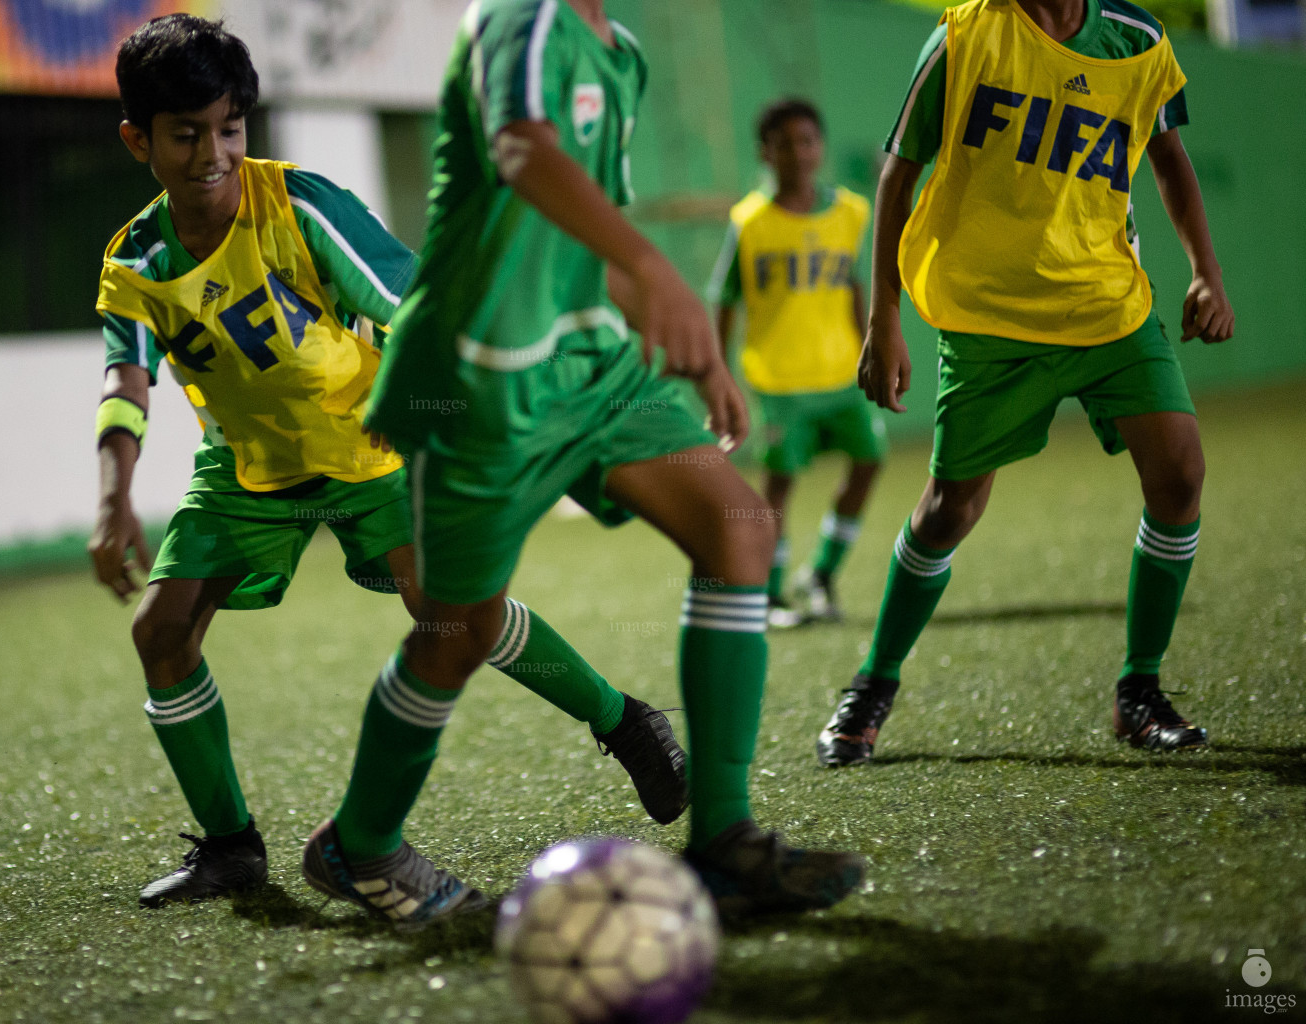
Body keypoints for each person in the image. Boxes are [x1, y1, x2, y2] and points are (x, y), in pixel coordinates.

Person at [89, 14, 687, 910]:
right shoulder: (132, 260)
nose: (213, 152)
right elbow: (127, 380)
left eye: (230, 129)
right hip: (247, 466)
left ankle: (623, 719)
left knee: (453, 617)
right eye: (186, 134)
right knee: (160, 633)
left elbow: (411, 304)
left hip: (367, 443)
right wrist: (113, 499)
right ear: (139, 139)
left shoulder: (301, 204)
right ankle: (231, 849)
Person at [301, 0, 866, 926]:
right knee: (457, 632)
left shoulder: (624, 55)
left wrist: (687, 337)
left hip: (594, 362)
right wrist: (660, 270)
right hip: (484, 379)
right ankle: (358, 843)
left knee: (740, 529)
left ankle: (724, 841)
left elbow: (579, 225)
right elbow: (524, 151)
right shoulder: (517, 20)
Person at [815, 0, 1234, 768]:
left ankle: (1139, 691)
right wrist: (884, 318)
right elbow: (897, 174)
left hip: (1109, 306)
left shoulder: (1138, 42)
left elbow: (1169, 159)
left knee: (1180, 476)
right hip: (989, 317)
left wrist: (1206, 271)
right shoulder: (963, 37)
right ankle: (874, 682)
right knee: (949, 510)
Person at [709, 98, 885, 628]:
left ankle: (823, 573)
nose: (798, 152)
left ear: (821, 147)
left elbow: (855, 285)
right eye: (784, 143)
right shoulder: (750, 221)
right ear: (765, 152)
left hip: (840, 372)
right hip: (780, 379)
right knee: (781, 482)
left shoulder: (851, 211)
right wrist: (719, 375)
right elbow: (725, 300)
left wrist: (871, 348)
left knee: (870, 460)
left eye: (807, 141)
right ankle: (770, 593)